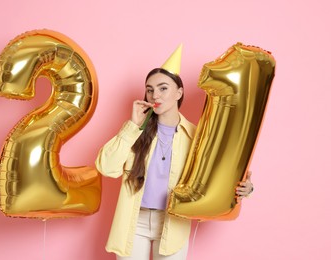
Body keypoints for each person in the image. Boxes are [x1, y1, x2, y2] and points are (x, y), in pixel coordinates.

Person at [95, 45, 254, 260]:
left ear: (179, 92)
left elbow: (219, 175)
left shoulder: (197, 137)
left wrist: (245, 187)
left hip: (173, 223)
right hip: (134, 221)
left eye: (163, 88)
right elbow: (106, 167)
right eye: (149, 89)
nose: (155, 95)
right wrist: (132, 125)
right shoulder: (135, 132)